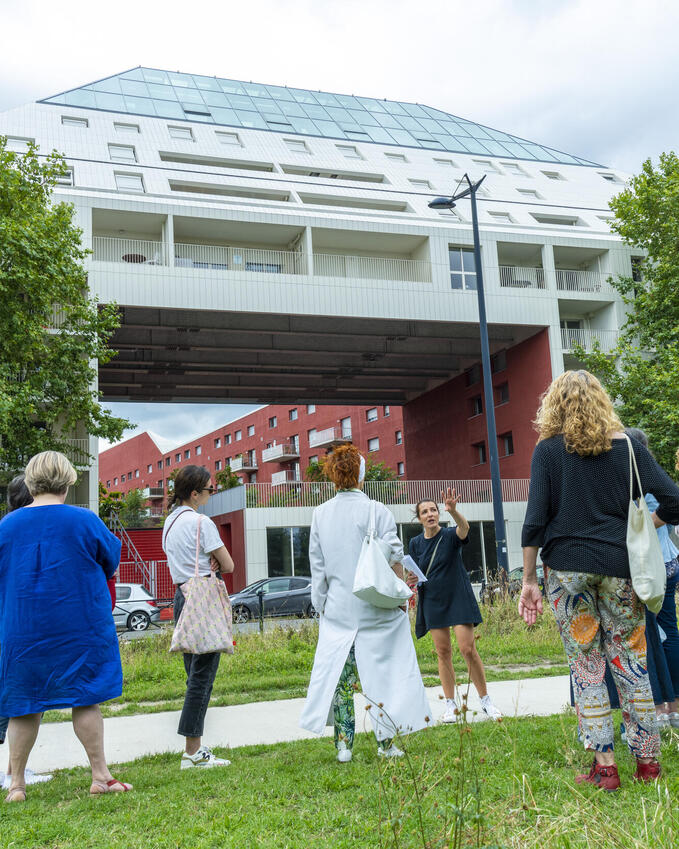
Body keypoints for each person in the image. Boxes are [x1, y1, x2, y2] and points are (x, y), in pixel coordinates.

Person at [519, 370, 679, 790]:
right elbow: (675, 499)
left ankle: (606, 769)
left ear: (553, 404)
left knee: (586, 665)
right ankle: (647, 765)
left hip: (567, 570)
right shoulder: (627, 447)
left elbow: (535, 520)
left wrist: (529, 579)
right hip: (620, 567)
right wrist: (647, 524)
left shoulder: (548, 451)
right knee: (632, 662)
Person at [0, 452, 131, 802]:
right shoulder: (85, 520)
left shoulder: (6, 526)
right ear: (69, 480)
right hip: (80, 628)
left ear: (29, 482)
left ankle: (16, 786)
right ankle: (100, 776)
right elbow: (111, 560)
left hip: (22, 631)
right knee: (85, 698)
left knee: (23, 705)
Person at [300, 445, 430, 762]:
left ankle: (344, 745)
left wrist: (322, 605)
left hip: (339, 609)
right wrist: (402, 597)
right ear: (360, 474)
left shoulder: (320, 514)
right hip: (375, 607)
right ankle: (386, 743)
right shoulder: (377, 510)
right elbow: (395, 556)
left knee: (342, 680)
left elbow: (318, 568)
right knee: (383, 674)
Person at [162, 465, 235, 770]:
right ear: (194, 493)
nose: (210, 493)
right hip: (203, 595)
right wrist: (214, 561)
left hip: (182, 595)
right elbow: (228, 564)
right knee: (202, 678)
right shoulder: (202, 522)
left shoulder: (169, 522)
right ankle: (193, 750)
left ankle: (195, 747)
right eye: (209, 489)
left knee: (194, 674)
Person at [407, 492, 502, 722]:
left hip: (458, 596)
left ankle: (486, 700)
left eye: (433, 510)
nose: (430, 514)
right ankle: (450, 705)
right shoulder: (415, 543)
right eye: (425, 512)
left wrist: (453, 511)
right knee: (443, 652)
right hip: (433, 600)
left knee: (467, 649)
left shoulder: (450, 535)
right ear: (419, 518)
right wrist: (411, 580)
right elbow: (416, 573)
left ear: (439, 513)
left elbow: (465, 528)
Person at [0, 475, 54, 792]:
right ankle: (12, 774)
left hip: (14, 627)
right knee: (19, 702)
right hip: (16, 628)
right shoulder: (22, 531)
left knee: (21, 701)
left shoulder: (9, 528)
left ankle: (14, 772)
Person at [625, 428, 679, 730]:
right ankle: (673, 706)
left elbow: (666, 512)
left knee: (653, 639)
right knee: (668, 633)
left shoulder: (639, 476)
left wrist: (638, 525)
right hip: (668, 563)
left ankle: (660, 707)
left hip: (651, 569)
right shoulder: (655, 473)